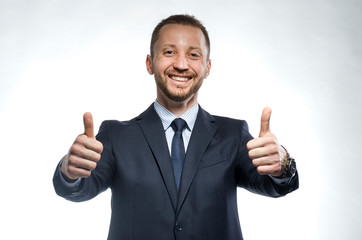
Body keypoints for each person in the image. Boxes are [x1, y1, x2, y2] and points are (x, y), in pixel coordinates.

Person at [53, 14, 299, 240]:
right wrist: (69, 171)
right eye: (169, 52)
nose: (182, 64)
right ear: (150, 63)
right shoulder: (117, 136)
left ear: (207, 68)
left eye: (193, 55)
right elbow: (79, 188)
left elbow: (272, 184)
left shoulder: (232, 135)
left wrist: (283, 164)